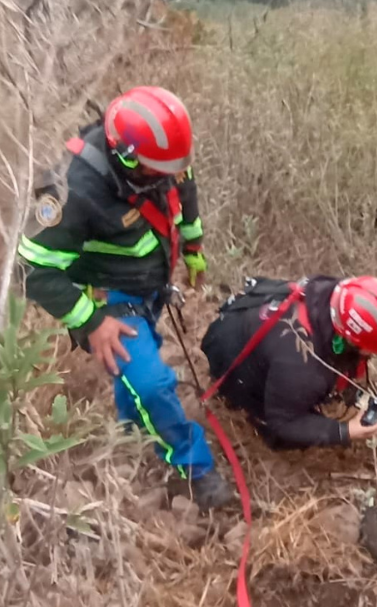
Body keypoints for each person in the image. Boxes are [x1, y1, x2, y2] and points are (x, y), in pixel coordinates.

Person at [17, 86, 233, 511]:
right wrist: (91, 321)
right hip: (109, 297)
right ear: (128, 159)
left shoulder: (162, 159)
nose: (171, 175)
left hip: (150, 283)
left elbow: (183, 192)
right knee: (152, 385)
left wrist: (193, 249)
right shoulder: (70, 191)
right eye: (160, 171)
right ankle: (194, 468)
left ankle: (134, 432)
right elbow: (33, 269)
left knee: (137, 382)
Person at [200, 274, 377, 450]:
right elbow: (284, 422)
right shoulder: (301, 365)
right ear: (350, 337)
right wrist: (344, 432)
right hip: (231, 357)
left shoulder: (341, 296)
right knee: (283, 438)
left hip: (255, 324)